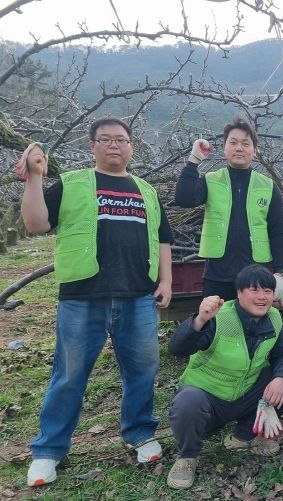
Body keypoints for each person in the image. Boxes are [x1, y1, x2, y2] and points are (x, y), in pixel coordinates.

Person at [20, 118, 173, 487]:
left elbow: (163, 238)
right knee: (69, 374)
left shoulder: (146, 190)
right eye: (105, 139)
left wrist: (166, 280)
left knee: (142, 371)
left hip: (138, 296)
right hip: (83, 297)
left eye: (120, 139)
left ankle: (140, 433)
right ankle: (49, 449)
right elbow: (37, 224)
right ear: (92, 146)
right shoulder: (72, 183)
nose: (114, 145)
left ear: (131, 146)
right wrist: (34, 177)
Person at [166, 264, 283, 490]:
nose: (262, 297)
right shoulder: (219, 318)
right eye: (254, 290)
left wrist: (279, 378)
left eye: (267, 291)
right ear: (239, 293)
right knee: (188, 401)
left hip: (244, 396)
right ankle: (187, 457)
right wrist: (199, 320)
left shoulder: (274, 318)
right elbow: (177, 349)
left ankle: (244, 436)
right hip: (209, 400)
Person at [174, 116, 283, 303]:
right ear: (225, 148)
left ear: (255, 150)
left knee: (253, 321)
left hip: (256, 275)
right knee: (215, 320)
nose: (239, 148)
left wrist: (280, 272)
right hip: (217, 274)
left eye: (245, 143)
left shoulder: (268, 186)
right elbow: (184, 199)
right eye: (233, 142)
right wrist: (194, 160)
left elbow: (278, 231)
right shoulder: (211, 180)